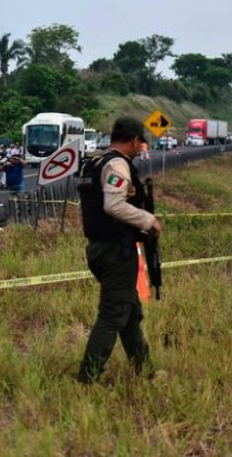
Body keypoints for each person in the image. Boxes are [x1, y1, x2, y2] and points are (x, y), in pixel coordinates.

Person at [76, 116, 163, 384]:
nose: (141, 148)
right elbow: (113, 206)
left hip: (102, 247)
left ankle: (145, 370)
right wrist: (148, 220)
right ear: (135, 140)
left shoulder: (96, 162)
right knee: (114, 314)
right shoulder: (117, 165)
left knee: (129, 312)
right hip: (115, 251)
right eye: (141, 143)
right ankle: (87, 378)